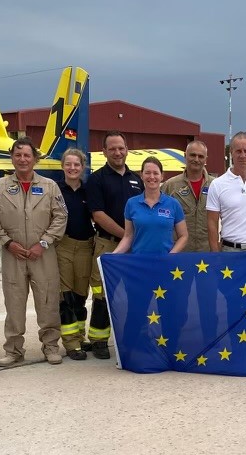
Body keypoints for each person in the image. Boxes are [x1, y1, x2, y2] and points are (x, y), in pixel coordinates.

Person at [0, 137, 68, 367]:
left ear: (35, 159)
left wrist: (43, 243)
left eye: (27, 155)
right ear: (12, 158)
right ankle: (13, 350)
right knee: (13, 302)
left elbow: (61, 217)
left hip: (43, 254)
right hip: (13, 255)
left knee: (47, 300)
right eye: (18, 155)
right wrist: (6, 242)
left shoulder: (50, 186)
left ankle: (51, 346)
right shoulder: (0, 187)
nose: (22, 159)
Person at [84, 131, 143, 359]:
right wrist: (126, 235)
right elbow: (98, 215)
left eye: (121, 148)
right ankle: (98, 340)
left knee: (131, 292)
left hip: (133, 248)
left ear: (127, 149)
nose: (118, 152)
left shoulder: (137, 180)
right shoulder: (97, 179)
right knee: (102, 292)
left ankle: (129, 336)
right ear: (105, 151)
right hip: (107, 244)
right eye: (113, 149)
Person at [55, 148, 95, 361]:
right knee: (66, 296)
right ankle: (70, 343)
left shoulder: (89, 191)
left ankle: (79, 336)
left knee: (81, 295)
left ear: (83, 167)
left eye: (77, 165)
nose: (72, 168)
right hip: (63, 246)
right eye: (68, 164)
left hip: (86, 246)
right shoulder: (55, 190)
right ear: (62, 166)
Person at [113, 156, 188, 254]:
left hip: (165, 263)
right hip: (139, 263)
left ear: (162, 176)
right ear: (141, 175)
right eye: (147, 173)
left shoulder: (173, 204)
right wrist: (113, 256)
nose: (152, 177)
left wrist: (171, 256)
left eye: (156, 173)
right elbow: (128, 237)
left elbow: (183, 236)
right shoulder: (131, 204)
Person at [161, 140, 216, 252]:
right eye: (192, 155)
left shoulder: (216, 185)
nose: (196, 159)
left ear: (206, 159)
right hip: (179, 253)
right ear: (185, 156)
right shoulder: (170, 185)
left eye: (201, 156)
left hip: (207, 252)